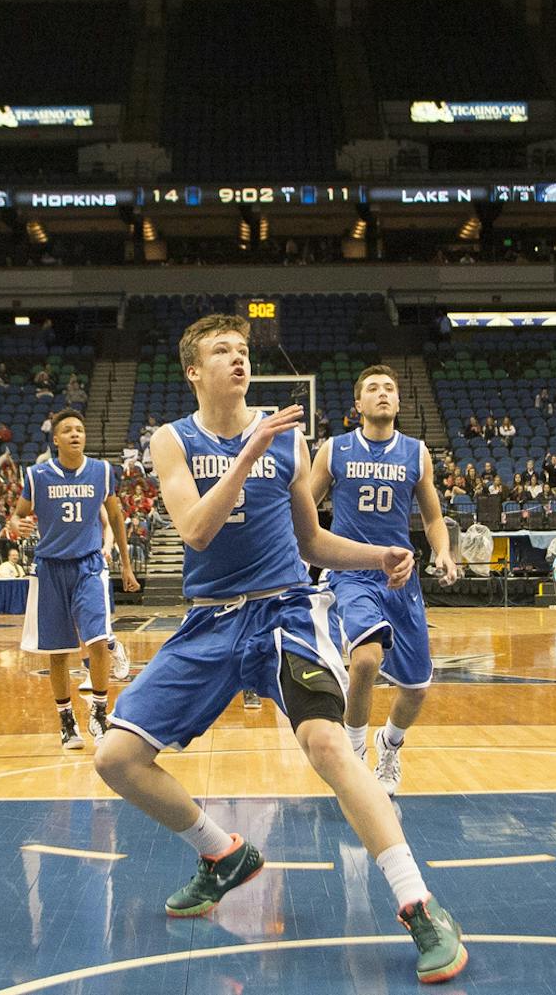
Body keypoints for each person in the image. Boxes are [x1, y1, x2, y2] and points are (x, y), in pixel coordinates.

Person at [105, 315, 467, 983]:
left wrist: (377, 551)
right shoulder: (171, 439)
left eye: (243, 350)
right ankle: (221, 854)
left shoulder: (288, 441)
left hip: (283, 613)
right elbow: (195, 529)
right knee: (116, 757)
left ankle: (421, 904)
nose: (238, 359)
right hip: (210, 620)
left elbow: (312, 543)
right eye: (222, 351)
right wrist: (247, 453)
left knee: (329, 743)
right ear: (194, 370)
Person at [307, 364, 460, 795]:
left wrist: (443, 551)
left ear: (397, 401)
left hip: (400, 577)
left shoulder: (416, 453)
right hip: (352, 571)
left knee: (415, 689)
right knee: (367, 660)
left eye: (389, 388)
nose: (382, 393)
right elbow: (305, 508)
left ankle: (389, 744)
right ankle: (354, 752)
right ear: (358, 404)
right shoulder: (334, 450)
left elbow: (432, 518)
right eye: (372, 388)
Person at [7, 410, 141, 751]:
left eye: (80, 429)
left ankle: (99, 711)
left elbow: (115, 516)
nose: (75, 434)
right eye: (67, 430)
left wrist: (125, 565)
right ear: (55, 439)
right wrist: (14, 526)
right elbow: (17, 516)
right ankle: (66, 721)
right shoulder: (37, 475)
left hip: (89, 566)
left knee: (97, 642)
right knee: (58, 652)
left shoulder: (101, 471)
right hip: (51, 569)